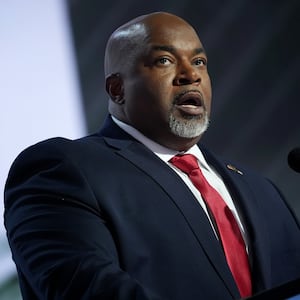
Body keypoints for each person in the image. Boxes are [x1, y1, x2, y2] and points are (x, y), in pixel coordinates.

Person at [4, 11, 300, 300]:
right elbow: (85, 287)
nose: (190, 75)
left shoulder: (262, 191)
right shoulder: (63, 169)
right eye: (164, 61)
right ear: (117, 89)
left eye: (199, 62)